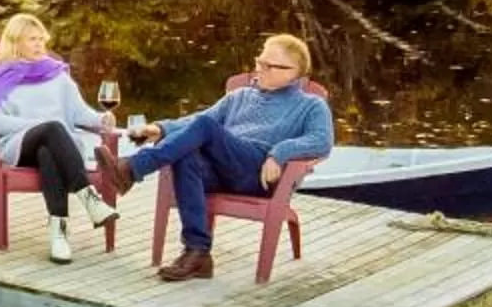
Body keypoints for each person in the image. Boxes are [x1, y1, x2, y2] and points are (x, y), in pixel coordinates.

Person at [115, 31, 333, 280]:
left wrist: (279, 153)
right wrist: (161, 128)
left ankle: (133, 168)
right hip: (224, 170)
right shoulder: (240, 96)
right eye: (258, 62)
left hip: (258, 173)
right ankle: (198, 253)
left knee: (207, 128)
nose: (259, 69)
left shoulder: (310, 105)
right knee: (186, 156)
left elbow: (321, 141)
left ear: (293, 73)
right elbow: (198, 120)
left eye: (268, 66)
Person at [0, 13, 119, 264]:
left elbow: (80, 112)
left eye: (41, 39)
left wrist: (101, 120)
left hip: (58, 147)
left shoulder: (57, 74)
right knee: (51, 130)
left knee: (47, 152)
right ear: (16, 43)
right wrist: (39, 126)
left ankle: (59, 235)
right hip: (15, 144)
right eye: (31, 39)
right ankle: (90, 200)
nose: (39, 45)